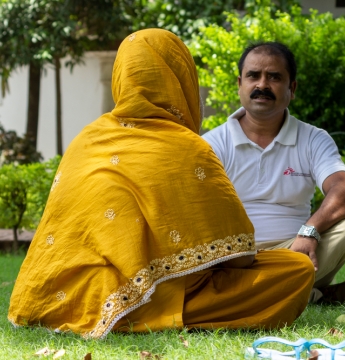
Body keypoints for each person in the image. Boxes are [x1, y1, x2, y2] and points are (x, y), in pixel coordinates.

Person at [8, 30, 315, 339]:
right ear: (180, 79)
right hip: (157, 296)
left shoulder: (86, 139)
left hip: (61, 296)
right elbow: (241, 256)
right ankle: (149, 316)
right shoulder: (187, 147)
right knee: (296, 270)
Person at [203, 42, 345, 305]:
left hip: (297, 253)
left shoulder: (313, 139)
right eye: (253, 76)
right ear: (240, 84)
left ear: (291, 88)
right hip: (235, 258)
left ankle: (265, 294)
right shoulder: (213, 143)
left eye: (274, 77)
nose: (262, 85)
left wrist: (309, 232)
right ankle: (314, 295)